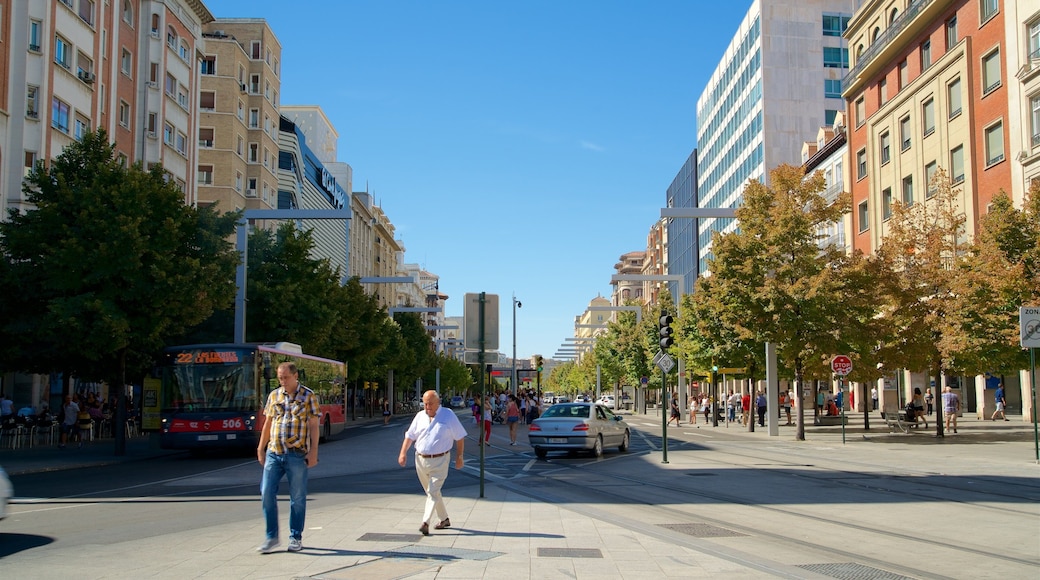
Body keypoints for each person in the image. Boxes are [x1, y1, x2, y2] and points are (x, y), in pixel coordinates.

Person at [255, 362, 321, 554]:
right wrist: (261, 447)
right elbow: (268, 423)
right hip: (274, 452)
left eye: (286, 377)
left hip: (296, 453)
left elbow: (314, 425)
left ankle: (295, 537)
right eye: (280, 377)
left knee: (297, 497)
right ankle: (271, 537)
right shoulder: (274, 395)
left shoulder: (308, 396)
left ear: (295, 376)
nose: (282, 381)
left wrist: (314, 451)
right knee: (266, 492)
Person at [398, 389, 467, 536]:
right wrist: (403, 453)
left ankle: (425, 522)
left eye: (430, 404)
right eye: (425, 404)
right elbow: (410, 436)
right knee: (432, 493)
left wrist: (459, 456)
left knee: (433, 491)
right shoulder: (420, 416)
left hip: (441, 460)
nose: (427, 407)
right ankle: (444, 519)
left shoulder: (448, 415)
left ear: (438, 403)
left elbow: (460, 437)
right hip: (421, 460)